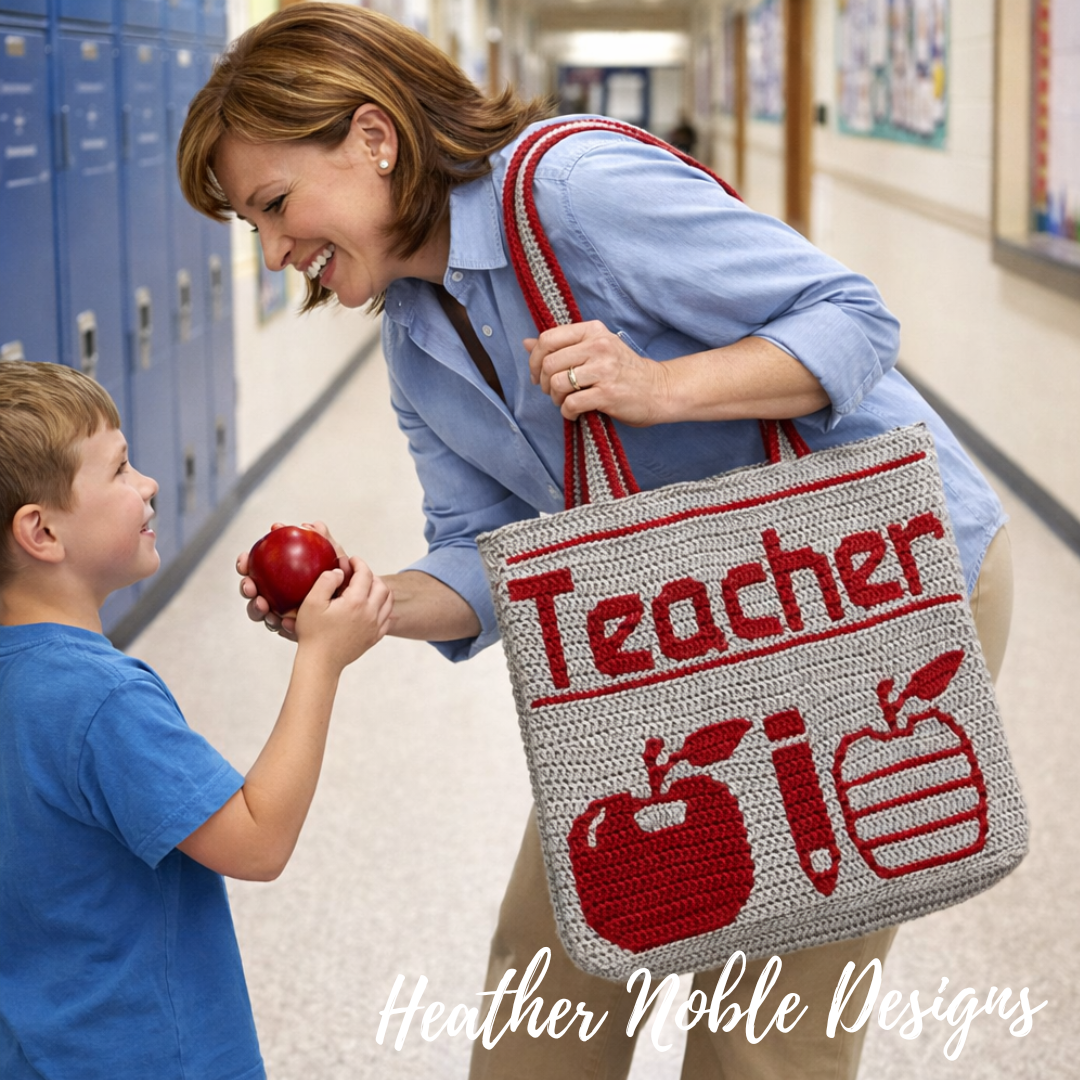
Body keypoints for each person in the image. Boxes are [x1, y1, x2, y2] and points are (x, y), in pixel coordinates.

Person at [177, 5, 1012, 1078]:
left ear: (373, 139)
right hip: (684, 622)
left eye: (276, 205)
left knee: (761, 1020)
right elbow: (490, 552)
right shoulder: (419, 342)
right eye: (256, 227)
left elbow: (853, 318)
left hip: (869, 580)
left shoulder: (575, 191)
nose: (276, 248)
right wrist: (364, 600)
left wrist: (661, 387)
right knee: (557, 960)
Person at [0, 359, 392, 1079]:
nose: (146, 484)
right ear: (42, 533)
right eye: (119, 470)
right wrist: (321, 659)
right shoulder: (99, 700)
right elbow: (257, 842)